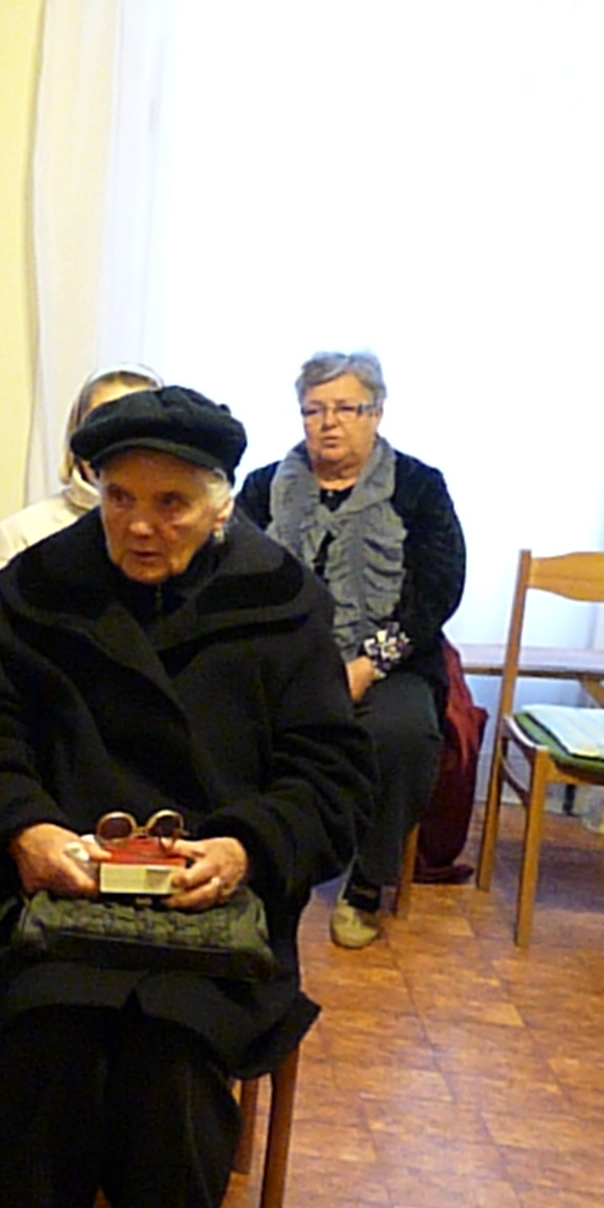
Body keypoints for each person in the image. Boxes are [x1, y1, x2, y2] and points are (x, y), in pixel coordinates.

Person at [0, 385, 373, 1208]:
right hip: (60, 908)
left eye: (170, 504)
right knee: (46, 1048)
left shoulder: (281, 601)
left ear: (221, 503)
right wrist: (24, 828)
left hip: (207, 924)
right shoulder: (42, 586)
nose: (138, 526)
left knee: (173, 1077)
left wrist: (248, 847)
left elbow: (330, 778)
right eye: (118, 498)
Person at [236, 350, 465, 950]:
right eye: (313, 410)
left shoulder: (419, 487)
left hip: (390, 662)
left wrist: (368, 664)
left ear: (377, 412)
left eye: (345, 408)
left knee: (404, 734)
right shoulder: (262, 487)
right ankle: (251, 863)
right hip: (282, 661)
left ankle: (365, 883)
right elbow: (234, 579)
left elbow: (438, 589)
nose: (328, 423)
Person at [0, 365, 163, 651]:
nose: (116, 444)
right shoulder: (24, 532)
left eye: (137, 429)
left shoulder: (182, 534)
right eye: (102, 423)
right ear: (76, 435)